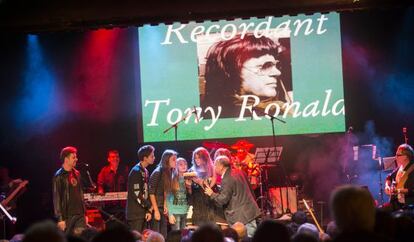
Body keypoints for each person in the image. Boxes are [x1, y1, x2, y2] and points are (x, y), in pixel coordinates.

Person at [202, 33, 292, 118]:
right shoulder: (222, 115)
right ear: (231, 73)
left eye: (276, 65)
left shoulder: (278, 107)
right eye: (265, 66)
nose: (277, 73)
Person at [204, 156, 261, 237]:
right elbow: (250, 190)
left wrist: (212, 194)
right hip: (250, 212)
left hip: (242, 217)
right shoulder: (239, 172)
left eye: (215, 165)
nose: (214, 167)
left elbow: (223, 199)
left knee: (247, 237)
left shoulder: (227, 179)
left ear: (221, 166)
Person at [52, 146, 87, 236]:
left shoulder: (77, 174)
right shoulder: (59, 176)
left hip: (80, 216)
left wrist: (84, 214)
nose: (76, 159)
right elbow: (57, 198)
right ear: (66, 159)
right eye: (73, 157)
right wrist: (60, 219)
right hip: (67, 216)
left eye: (76, 157)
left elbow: (80, 194)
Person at [187, 147, 225, 226]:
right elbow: (190, 193)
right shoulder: (191, 171)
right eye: (195, 158)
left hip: (209, 202)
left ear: (205, 158)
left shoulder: (212, 169)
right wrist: (189, 186)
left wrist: (200, 182)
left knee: (210, 226)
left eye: (199, 158)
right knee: (198, 226)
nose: (197, 160)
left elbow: (210, 188)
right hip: (197, 203)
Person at [149, 149, 178, 238]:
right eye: (173, 159)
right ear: (166, 160)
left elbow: (166, 191)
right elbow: (151, 193)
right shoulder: (157, 172)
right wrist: (156, 210)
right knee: (156, 237)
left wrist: (166, 205)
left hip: (162, 209)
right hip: (156, 208)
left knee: (163, 236)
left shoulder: (169, 172)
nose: (175, 161)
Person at [126, 145, 155, 233]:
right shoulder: (136, 171)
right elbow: (137, 194)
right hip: (135, 214)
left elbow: (145, 192)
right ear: (145, 158)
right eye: (152, 156)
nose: (154, 158)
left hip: (142, 212)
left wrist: (148, 211)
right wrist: (149, 206)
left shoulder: (145, 171)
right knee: (137, 238)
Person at [97, 150, 129, 227]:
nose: (115, 158)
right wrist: (100, 190)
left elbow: (129, 184)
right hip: (109, 206)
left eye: (117, 157)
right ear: (109, 159)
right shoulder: (104, 170)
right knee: (110, 226)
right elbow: (100, 183)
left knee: (122, 226)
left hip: (122, 206)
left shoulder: (125, 169)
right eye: (113, 157)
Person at [384, 143, 414, 210]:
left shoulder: (412, 169)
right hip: (397, 205)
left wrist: (399, 191)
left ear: (406, 156)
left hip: (409, 206)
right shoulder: (400, 168)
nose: (396, 157)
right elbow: (389, 177)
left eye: (398, 155)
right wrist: (387, 186)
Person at [166, 157, 190, 230]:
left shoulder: (190, 178)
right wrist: (170, 214)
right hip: (175, 212)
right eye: (180, 164)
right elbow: (168, 198)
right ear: (176, 166)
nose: (184, 166)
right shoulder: (172, 179)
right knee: (176, 236)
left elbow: (190, 195)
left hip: (185, 212)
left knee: (184, 236)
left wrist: (189, 186)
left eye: (185, 164)